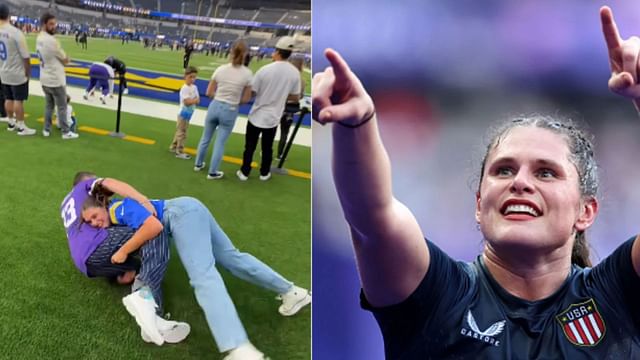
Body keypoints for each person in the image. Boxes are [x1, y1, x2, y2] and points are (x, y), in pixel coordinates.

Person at [311, 6, 640, 359]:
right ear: (479, 204)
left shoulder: (616, 296)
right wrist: (356, 125)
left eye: (546, 172)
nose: (520, 182)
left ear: (585, 211)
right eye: (503, 170)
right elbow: (371, 216)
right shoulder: (438, 296)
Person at [81, 192, 311, 359]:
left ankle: (239, 348)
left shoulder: (117, 209)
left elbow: (153, 227)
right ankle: (293, 292)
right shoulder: (116, 216)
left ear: (102, 205)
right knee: (233, 259)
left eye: (93, 215)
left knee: (203, 276)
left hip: (181, 214)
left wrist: (122, 252)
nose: (94, 223)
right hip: (189, 207)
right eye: (89, 222)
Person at [61, 172, 190, 346]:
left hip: (86, 263)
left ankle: (152, 321)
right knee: (152, 229)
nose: (101, 193)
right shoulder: (84, 188)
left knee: (141, 254)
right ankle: (146, 302)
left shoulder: (68, 203)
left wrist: (117, 271)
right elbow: (112, 183)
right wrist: (142, 199)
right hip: (96, 246)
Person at [237, 36, 301, 181]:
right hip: (274, 117)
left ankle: (244, 172)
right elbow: (296, 97)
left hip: (257, 114)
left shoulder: (264, 69)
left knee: (250, 146)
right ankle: (264, 173)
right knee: (268, 147)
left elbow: (252, 92)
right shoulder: (294, 73)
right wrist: (281, 95)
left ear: (278, 52)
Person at [194, 40, 253, 179]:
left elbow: (209, 92)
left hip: (215, 105)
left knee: (205, 138)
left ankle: (198, 164)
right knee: (220, 142)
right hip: (230, 108)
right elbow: (246, 99)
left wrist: (220, 98)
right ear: (245, 55)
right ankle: (212, 172)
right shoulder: (247, 74)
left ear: (231, 52)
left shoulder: (221, 69)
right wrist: (232, 101)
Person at [36, 12, 78, 139]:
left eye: (55, 23)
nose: (54, 26)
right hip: (55, 79)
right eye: (51, 24)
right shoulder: (52, 41)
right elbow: (65, 59)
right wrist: (67, 59)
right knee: (62, 107)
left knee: (49, 105)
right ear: (44, 24)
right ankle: (66, 132)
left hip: (44, 77)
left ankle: (46, 129)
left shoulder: (39, 37)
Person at [0, 4, 35, 135]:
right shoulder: (15, 32)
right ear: (8, 15)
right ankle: (21, 126)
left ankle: (11, 122)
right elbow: (26, 56)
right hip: (16, 71)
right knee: (18, 100)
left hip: (3, 70)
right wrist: (28, 72)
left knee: (8, 98)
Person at [277, 57, 305, 160]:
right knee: (285, 132)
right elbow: (300, 96)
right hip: (290, 109)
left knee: (271, 129)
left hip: (279, 106)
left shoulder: (283, 77)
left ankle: (266, 151)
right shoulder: (301, 80)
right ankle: (279, 154)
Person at [169, 66, 199, 160]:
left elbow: (198, 99)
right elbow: (187, 102)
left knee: (180, 130)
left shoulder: (194, 87)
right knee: (182, 132)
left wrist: (193, 101)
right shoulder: (184, 88)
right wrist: (193, 100)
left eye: (194, 77)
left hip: (189, 112)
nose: (192, 79)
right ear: (185, 76)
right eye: (190, 77)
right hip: (183, 112)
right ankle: (179, 151)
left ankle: (174, 146)